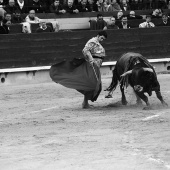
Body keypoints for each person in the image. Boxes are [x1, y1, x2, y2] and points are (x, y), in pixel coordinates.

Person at [50, 31, 107, 109]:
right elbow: (85, 50)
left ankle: (85, 103)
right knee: (91, 84)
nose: (102, 40)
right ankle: (85, 103)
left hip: (95, 66)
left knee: (90, 84)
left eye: (104, 39)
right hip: (92, 66)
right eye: (101, 38)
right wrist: (91, 60)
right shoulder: (93, 41)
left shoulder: (96, 42)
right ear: (98, 35)